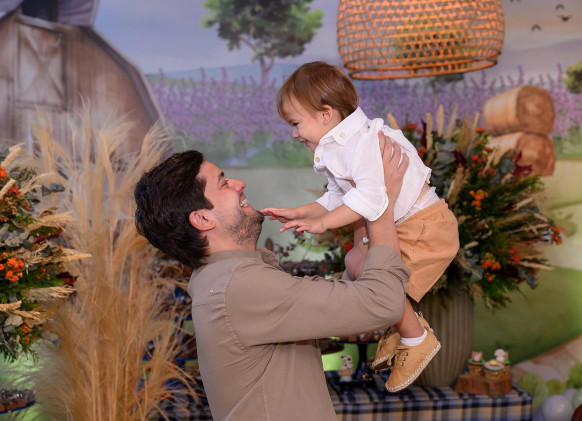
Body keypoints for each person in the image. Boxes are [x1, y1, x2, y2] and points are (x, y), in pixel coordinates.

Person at [134, 135, 410, 420]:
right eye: (223, 183)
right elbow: (383, 302)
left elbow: (345, 307)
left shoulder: (226, 280)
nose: (239, 184)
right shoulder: (241, 285)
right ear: (202, 219)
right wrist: (380, 201)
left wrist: (359, 222)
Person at [260, 61, 459, 392]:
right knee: (356, 263)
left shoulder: (363, 144)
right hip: (407, 224)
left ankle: (415, 337)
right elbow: (338, 196)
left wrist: (321, 222)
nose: (294, 134)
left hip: (424, 227)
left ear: (326, 114)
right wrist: (300, 212)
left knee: (372, 275)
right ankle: (400, 326)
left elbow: (370, 198)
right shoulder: (343, 146)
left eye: (296, 124)